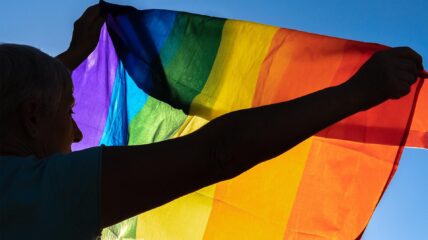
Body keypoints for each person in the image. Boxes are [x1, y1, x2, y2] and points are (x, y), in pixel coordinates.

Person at [0, 4, 426, 240]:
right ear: (32, 117)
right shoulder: (35, 193)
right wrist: (356, 93)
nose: (76, 132)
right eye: (68, 111)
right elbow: (216, 151)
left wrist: (70, 59)